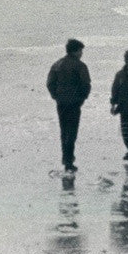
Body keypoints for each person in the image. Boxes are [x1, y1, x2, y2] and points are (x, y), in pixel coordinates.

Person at [46, 39, 92, 173]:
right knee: (72, 132)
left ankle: (66, 159)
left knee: (64, 131)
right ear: (75, 51)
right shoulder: (80, 66)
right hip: (74, 103)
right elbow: (86, 84)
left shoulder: (57, 64)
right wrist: (82, 98)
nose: (82, 53)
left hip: (61, 103)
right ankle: (69, 161)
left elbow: (50, 83)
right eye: (80, 50)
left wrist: (56, 96)